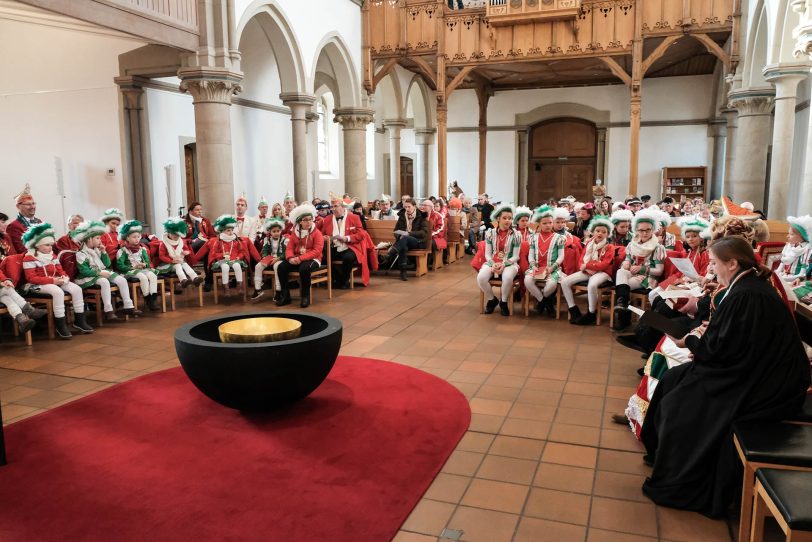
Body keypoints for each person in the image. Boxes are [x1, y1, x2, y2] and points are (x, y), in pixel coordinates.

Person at [640, 236, 811, 517]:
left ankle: (681, 479)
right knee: (672, 380)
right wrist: (703, 337)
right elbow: (731, 340)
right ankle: (662, 456)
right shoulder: (744, 285)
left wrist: (691, 342)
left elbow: (725, 348)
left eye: (716, 262)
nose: (712, 268)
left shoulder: (747, 293)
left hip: (765, 381)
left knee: (682, 404)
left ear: (732, 263)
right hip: (746, 366)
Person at [21, 223, 93, 338]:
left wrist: (65, 278)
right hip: (37, 285)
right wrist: (53, 281)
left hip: (55, 281)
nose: (50, 247)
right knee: (57, 292)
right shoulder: (29, 258)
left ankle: (80, 321)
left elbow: (60, 270)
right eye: (47, 245)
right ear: (37, 246)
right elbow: (31, 278)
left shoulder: (52, 255)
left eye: (51, 244)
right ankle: (60, 325)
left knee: (77, 289)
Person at [72, 220, 140, 320]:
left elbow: (107, 264)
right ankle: (108, 310)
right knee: (104, 282)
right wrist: (99, 272)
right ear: (89, 239)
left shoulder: (97, 250)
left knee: (121, 280)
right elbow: (84, 271)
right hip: (89, 276)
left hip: (102, 272)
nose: (100, 240)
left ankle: (128, 306)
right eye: (97, 238)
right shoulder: (81, 254)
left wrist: (104, 252)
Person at [612, 208, 666, 331]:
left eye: (648, 230)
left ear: (653, 230)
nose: (645, 233)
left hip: (648, 278)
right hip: (632, 273)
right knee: (620, 272)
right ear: (636, 230)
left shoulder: (658, 247)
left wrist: (642, 269)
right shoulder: (633, 244)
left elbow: (659, 271)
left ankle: (623, 316)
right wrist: (626, 263)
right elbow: (628, 259)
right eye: (641, 230)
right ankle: (622, 304)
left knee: (624, 286)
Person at [560, 215, 616, 325]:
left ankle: (591, 313)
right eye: (597, 231)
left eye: (603, 232)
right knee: (565, 282)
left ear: (607, 234)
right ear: (593, 231)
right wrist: (582, 265)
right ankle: (573, 309)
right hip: (587, 270)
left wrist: (588, 265)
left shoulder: (610, 247)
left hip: (603, 273)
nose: (600, 233)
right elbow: (582, 258)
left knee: (592, 285)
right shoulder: (589, 243)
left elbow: (604, 265)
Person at [275, 204, 324, 308]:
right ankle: (286, 296)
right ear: (300, 222)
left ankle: (305, 296)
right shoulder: (295, 233)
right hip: (296, 258)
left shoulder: (317, 233)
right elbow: (289, 248)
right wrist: (290, 258)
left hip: (313, 259)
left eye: (311, 219)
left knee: (304, 268)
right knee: (281, 267)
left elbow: (317, 251)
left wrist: (300, 258)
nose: (309, 222)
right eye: (306, 220)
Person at [476, 204, 521, 317]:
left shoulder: (516, 235)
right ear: (498, 219)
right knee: (481, 278)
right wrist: (492, 264)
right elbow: (487, 253)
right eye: (504, 218)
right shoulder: (490, 233)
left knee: (507, 277)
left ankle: (504, 302)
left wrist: (504, 264)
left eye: (510, 218)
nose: (508, 220)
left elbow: (516, 256)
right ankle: (492, 299)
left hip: (510, 263)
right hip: (493, 261)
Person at [524, 205, 566, 316]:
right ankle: (545, 302)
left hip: (552, 268)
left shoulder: (559, 238)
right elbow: (531, 255)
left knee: (551, 285)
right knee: (527, 281)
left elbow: (561, 256)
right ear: (539, 224)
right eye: (544, 223)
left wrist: (553, 267)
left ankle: (542, 301)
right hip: (537, 268)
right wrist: (533, 266)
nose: (548, 225)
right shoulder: (533, 237)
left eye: (550, 222)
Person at [195, 215, 249, 298]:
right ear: (222, 231)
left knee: (237, 265)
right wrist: (222, 255)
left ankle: (239, 286)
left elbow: (241, 252)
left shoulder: (236, 241)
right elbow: (214, 253)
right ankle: (226, 288)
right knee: (225, 267)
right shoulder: (218, 241)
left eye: (231, 230)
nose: (231, 232)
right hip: (222, 261)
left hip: (234, 260)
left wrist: (239, 257)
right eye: (228, 230)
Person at [319, 196, 365, 289]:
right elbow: (321, 233)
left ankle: (345, 280)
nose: (333, 209)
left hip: (350, 247)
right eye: (332, 207)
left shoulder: (354, 217)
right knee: (324, 257)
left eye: (336, 206)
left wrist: (347, 238)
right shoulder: (327, 219)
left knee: (348, 258)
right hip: (334, 246)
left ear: (343, 207)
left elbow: (361, 234)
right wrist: (324, 237)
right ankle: (337, 278)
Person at [382, 197, 431, 281]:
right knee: (403, 245)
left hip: (418, 242)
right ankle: (403, 272)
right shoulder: (402, 216)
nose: (407, 209)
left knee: (406, 238)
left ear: (414, 206)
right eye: (405, 207)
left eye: (409, 207)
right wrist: (399, 236)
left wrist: (409, 233)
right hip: (404, 241)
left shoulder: (421, 216)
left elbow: (423, 233)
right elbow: (395, 231)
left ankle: (391, 253)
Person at [116, 220, 161, 311]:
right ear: (127, 238)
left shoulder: (142, 249)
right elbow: (120, 265)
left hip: (143, 269)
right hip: (129, 271)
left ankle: (153, 299)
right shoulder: (122, 251)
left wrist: (144, 264)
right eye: (134, 237)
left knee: (152, 276)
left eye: (138, 236)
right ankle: (147, 298)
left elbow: (148, 262)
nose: (137, 239)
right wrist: (133, 267)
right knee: (142, 277)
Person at [156, 217, 203, 288]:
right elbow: (161, 256)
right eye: (174, 234)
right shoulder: (163, 243)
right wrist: (172, 260)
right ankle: (183, 280)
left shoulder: (181, 241)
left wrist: (186, 252)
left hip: (180, 261)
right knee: (178, 266)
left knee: (185, 265)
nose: (176, 236)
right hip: (167, 264)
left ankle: (195, 278)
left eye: (178, 235)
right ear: (168, 232)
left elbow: (188, 250)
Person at [250, 217, 287, 302]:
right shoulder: (267, 240)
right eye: (274, 231)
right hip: (270, 259)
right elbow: (265, 250)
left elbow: (286, 253)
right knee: (258, 266)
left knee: (277, 267)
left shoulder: (285, 240)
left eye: (278, 231)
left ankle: (278, 291)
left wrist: (278, 258)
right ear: (270, 232)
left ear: (281, 230)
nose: (276, 233)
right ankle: (258, 289)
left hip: (280, 259)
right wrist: (265, 257)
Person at [7, 184, 43, 254]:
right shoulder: (13, 226)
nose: (32, 206)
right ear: (18, 206)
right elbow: (21, 250)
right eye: (28, 204)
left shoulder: (39, 222)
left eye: (33, 203)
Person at [776, 215, 811, 284]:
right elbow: (781, 265)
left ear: (802, 236)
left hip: (795, 280)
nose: (787, 236)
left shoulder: (807, 251)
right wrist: (775, 275)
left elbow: (802, 275)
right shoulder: (788, 246)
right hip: (784, 277)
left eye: (791, 234)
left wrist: (783, 279)